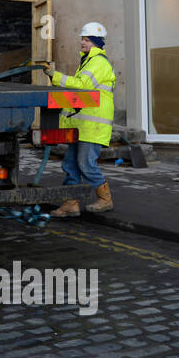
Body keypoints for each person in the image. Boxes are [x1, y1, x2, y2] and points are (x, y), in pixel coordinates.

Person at [47, 22, 116, 218]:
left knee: (85, 164)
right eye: (82, 39)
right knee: (70, 164)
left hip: (93, 126)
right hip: (82, 125)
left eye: (86, 39)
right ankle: (70, 203)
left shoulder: (99, 63)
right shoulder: (87, 62)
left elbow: (81, 86)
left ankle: (105, 199)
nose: (82, 43)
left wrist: (56, 76)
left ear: (95, 42)